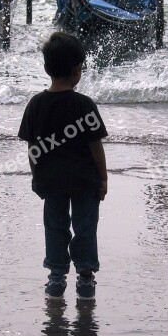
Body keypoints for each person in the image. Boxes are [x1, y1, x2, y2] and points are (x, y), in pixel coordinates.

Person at [18, 32, 108, 300]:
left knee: (55, 228)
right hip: (84, 181)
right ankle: (85, 279)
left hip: (51, 181)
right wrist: (103, 179)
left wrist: (37, 177)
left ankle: (56, 278)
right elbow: (95, 146)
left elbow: (33, 148)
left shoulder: (35, 104)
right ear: (77, 69)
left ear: (47, 68)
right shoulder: (84, 104)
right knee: (85, 227)